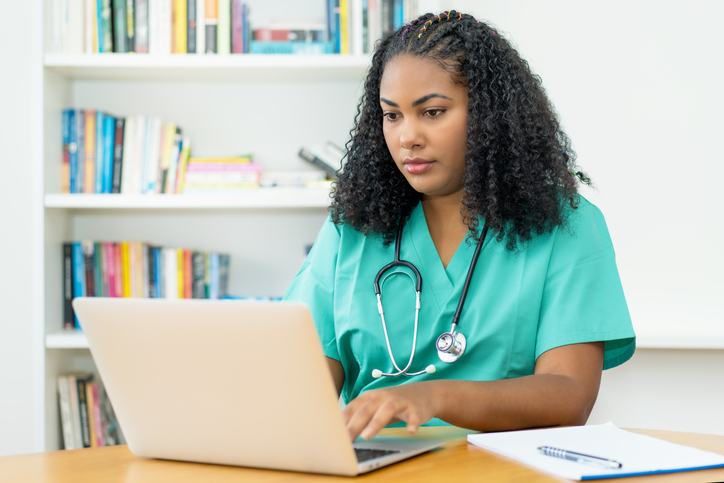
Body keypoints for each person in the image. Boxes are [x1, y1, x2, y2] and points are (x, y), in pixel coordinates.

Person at [284, 10, 635, 442]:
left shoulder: (567, 225)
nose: (407, 136)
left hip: (504, 470)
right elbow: (299, 393)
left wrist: (432, 398)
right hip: (376, 467)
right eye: (392, 115)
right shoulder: (351, 230)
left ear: (491, 116)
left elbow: (570, 397)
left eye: (431, 112)